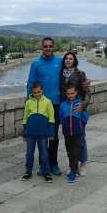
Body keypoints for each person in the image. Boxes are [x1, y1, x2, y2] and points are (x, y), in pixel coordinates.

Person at [26, 37, 63, 175]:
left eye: (50, 46)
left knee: (53, 137)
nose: (48, 48)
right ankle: (43, 165)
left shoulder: (59, 62)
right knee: (42, 137)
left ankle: (54, 164)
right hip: (40, 106)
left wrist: (83, 83)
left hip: (56, 104)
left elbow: (69, 76)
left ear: (53, 47)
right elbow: (30, 84)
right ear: (42, 47)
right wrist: (28, 103)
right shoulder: (36, 64)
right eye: (45, 46)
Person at [60, 51, 91, 176]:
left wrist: (82, 106)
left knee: (81, 139)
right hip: (66, 110)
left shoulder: (80, 74)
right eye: (66, 58)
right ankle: (72, 165)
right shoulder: (60, 75)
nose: (68, 60)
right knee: (70, 141)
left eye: (71, 59)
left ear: (74, 61)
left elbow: (88, 94)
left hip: (78, 110)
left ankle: (83, 164)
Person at [21, 82, 54, 183]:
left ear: (42, 90)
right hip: (30, 133)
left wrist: (51, 133)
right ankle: (28, 172)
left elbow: (51, 118)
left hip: (43, 133)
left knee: (44, 153)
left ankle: (46, 172)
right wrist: (25, 132)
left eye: (39, 92)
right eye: (35, 92)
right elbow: (25, 118)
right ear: (32, 92)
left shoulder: (48, 102)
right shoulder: (28, 102)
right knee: (29, 153)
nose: (37, 94)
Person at [59, 84, 88, 183]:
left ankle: (73, 172)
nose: (70, 95)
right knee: (69, 151)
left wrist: (80, 125)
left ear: (76, 93)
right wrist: (64, 125)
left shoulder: (80, 103)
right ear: (66, 94)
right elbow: (61, 118)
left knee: (76, 152)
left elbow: (85, 117)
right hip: (67, 133)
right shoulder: (63, 105)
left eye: (72, 93)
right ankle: (73, 167)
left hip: (78, 132)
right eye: (68, 94)